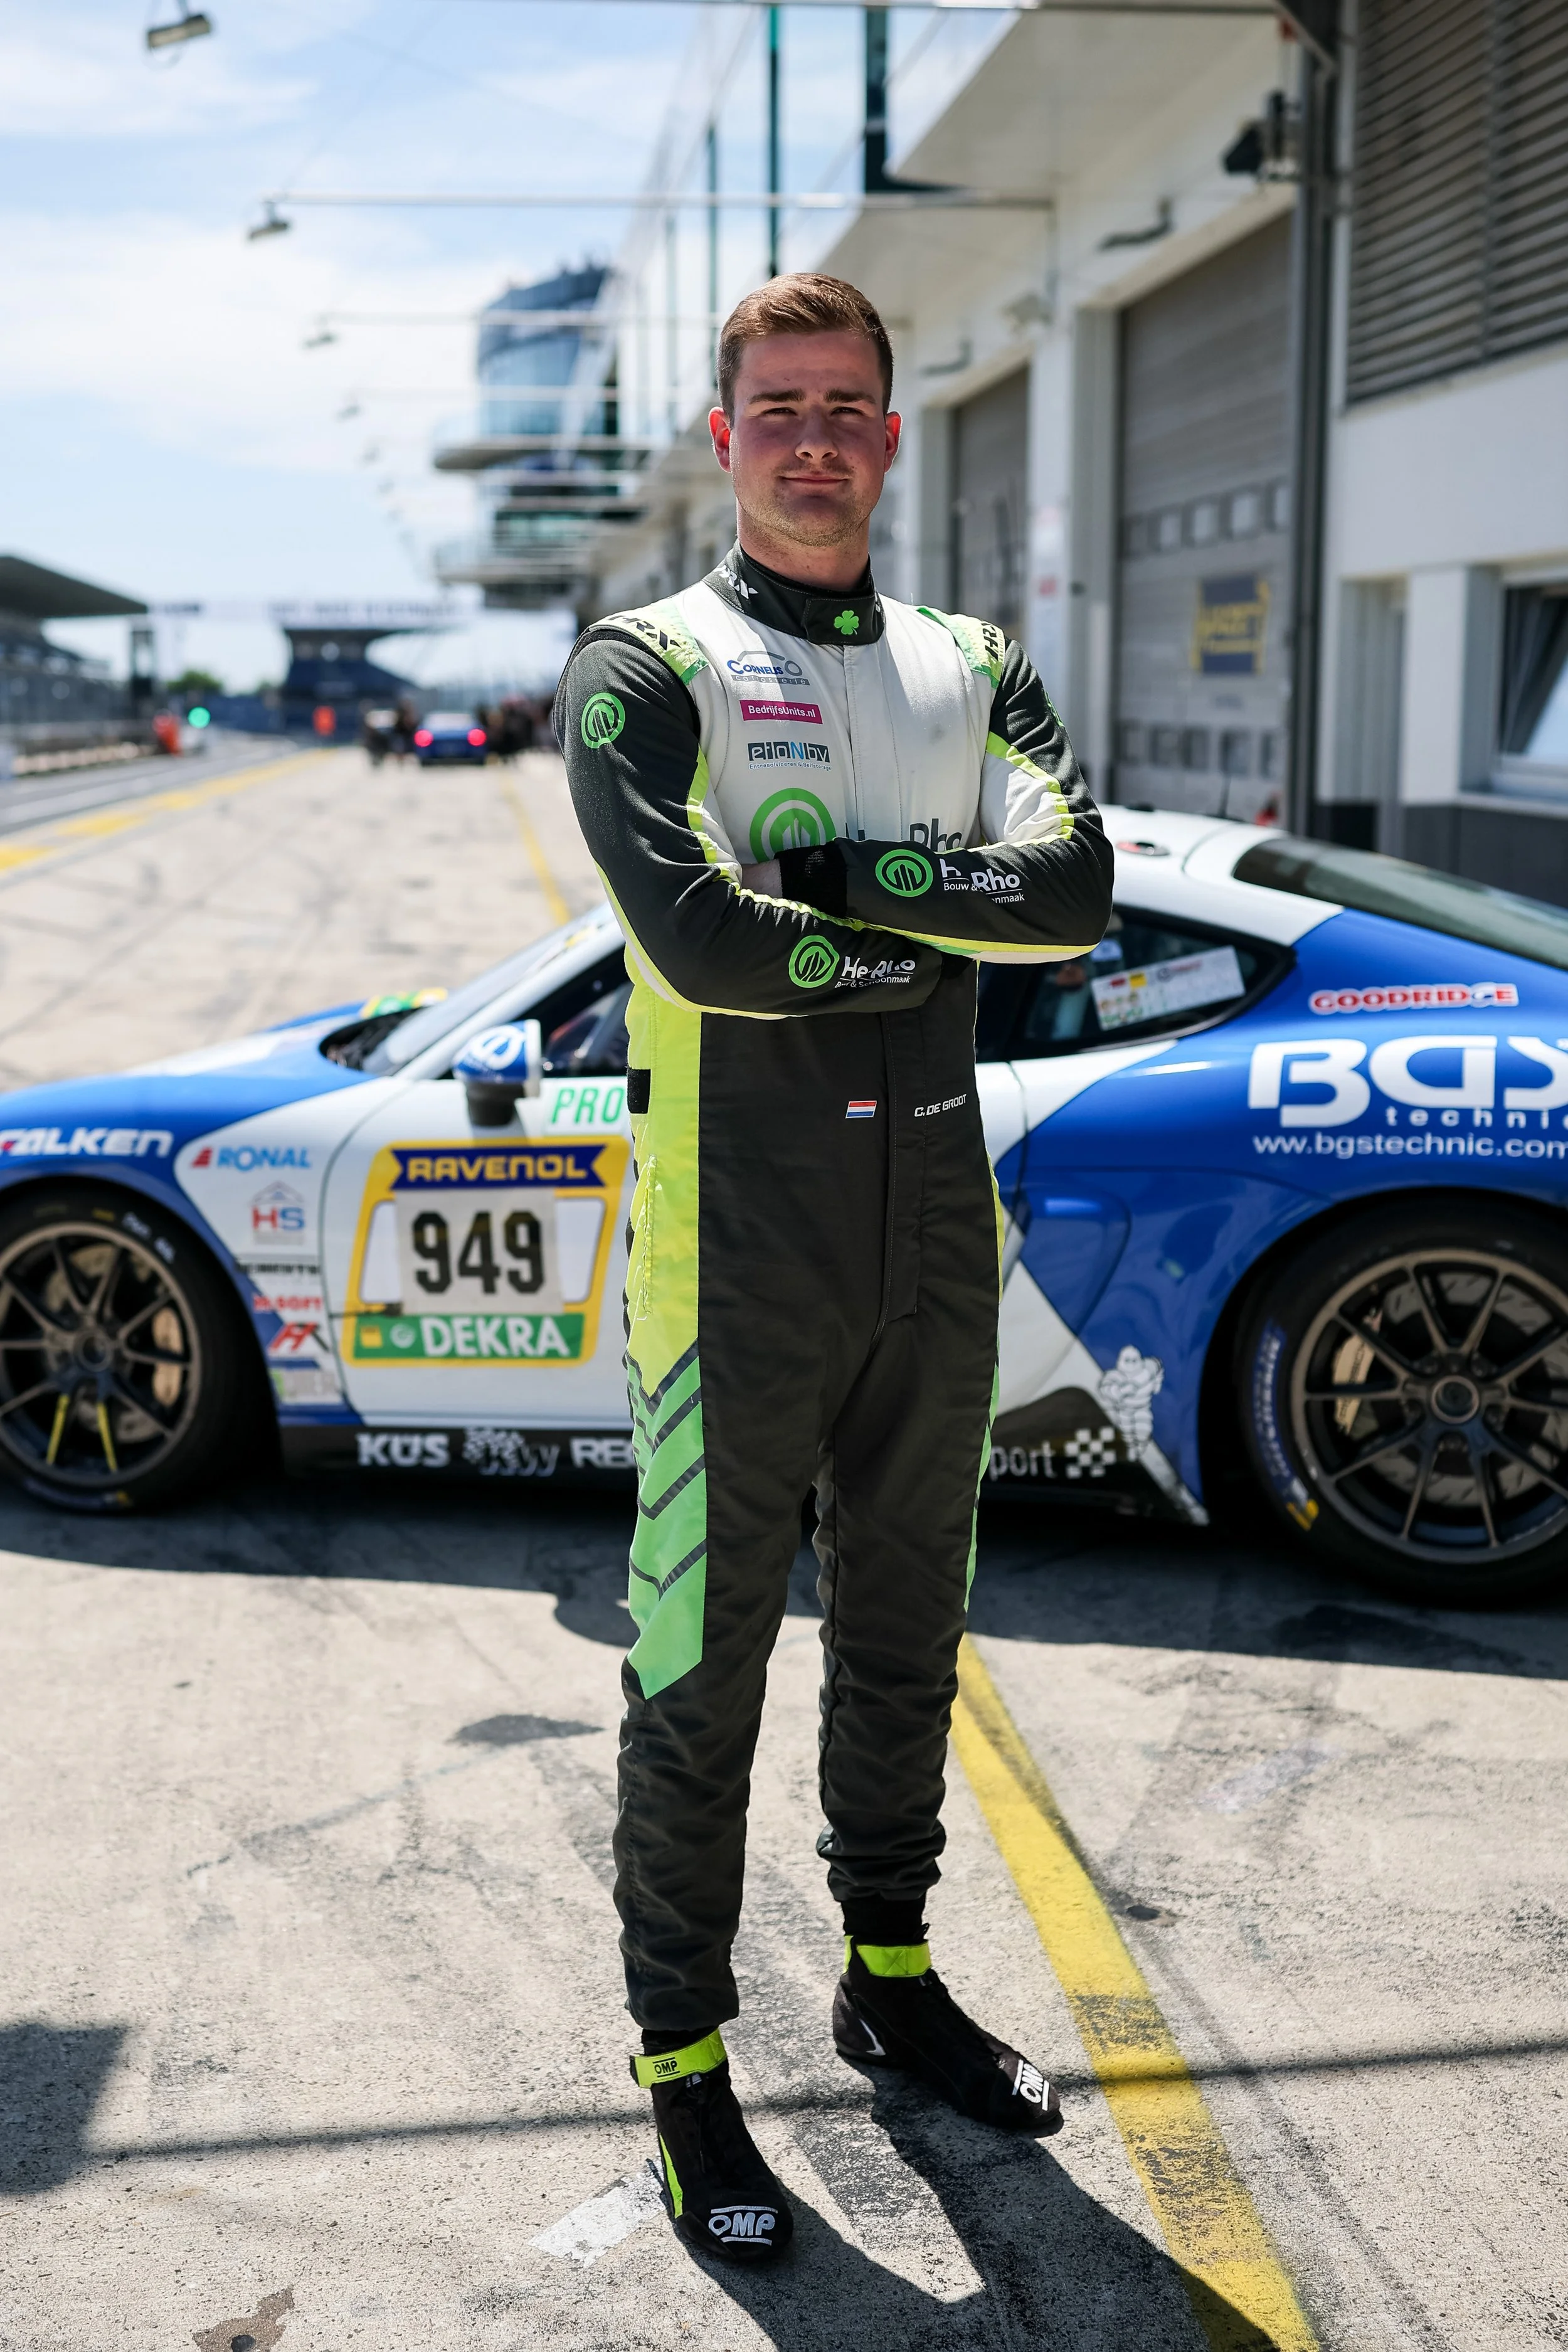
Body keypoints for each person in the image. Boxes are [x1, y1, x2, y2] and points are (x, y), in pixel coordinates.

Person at [556, 273, 1112, 2265]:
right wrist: (931, 930)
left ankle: (889, 1969)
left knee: (905, 1642)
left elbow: (1071, 888)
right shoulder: (646, 665)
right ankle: (684, 2060)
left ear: (893, 433)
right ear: (724, 441)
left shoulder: (973, 661)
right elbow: (700, 948)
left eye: (845, 406)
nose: (810, 438)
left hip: (933, 1244)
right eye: (774, 406)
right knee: (698, 1679)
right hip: (735, 1259)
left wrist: (851, 883)